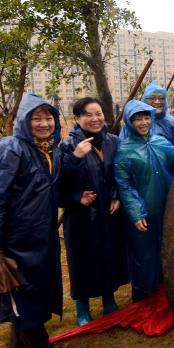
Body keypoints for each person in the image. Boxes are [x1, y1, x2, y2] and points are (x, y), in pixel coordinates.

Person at [0, 94, 73, 346]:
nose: (44, 123)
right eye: (36, 118)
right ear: (24, 121)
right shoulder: (12, 149)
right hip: (17, 244)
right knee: (25, 300)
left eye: (49, 117)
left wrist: (77, 198)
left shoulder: (48, 152)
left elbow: (52, 192)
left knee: (32, 298)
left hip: (41, 239)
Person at [59, 97, 128, 326]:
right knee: (82, 259)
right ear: (77, 119)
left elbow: (121, 174)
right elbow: (59, 186)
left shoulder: (113, 142)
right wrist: (76, 158)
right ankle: (82, 307)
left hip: (108, 213)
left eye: (98, 113)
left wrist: (117, 196)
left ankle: (109, 299)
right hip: (81, 216)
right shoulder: (67, 146)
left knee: (109, 253)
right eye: (88, 114)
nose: (95, 118)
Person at [115, 99, 174, 302]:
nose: (143, 122)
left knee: (166, 247)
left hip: (166, 206)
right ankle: (144, 294)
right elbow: (124, 184)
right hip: (143, 212)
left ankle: (165, 288)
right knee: (143, 253)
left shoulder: (160, 142)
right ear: (129, 121)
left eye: (146, 117)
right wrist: (136, 212)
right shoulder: (124, 150)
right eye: (138, 119)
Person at [120, 80, 174, 152]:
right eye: (152, 98)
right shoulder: (130, 126)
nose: (157, 101)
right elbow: (123, 150)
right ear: (144, 100)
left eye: (161, 98)